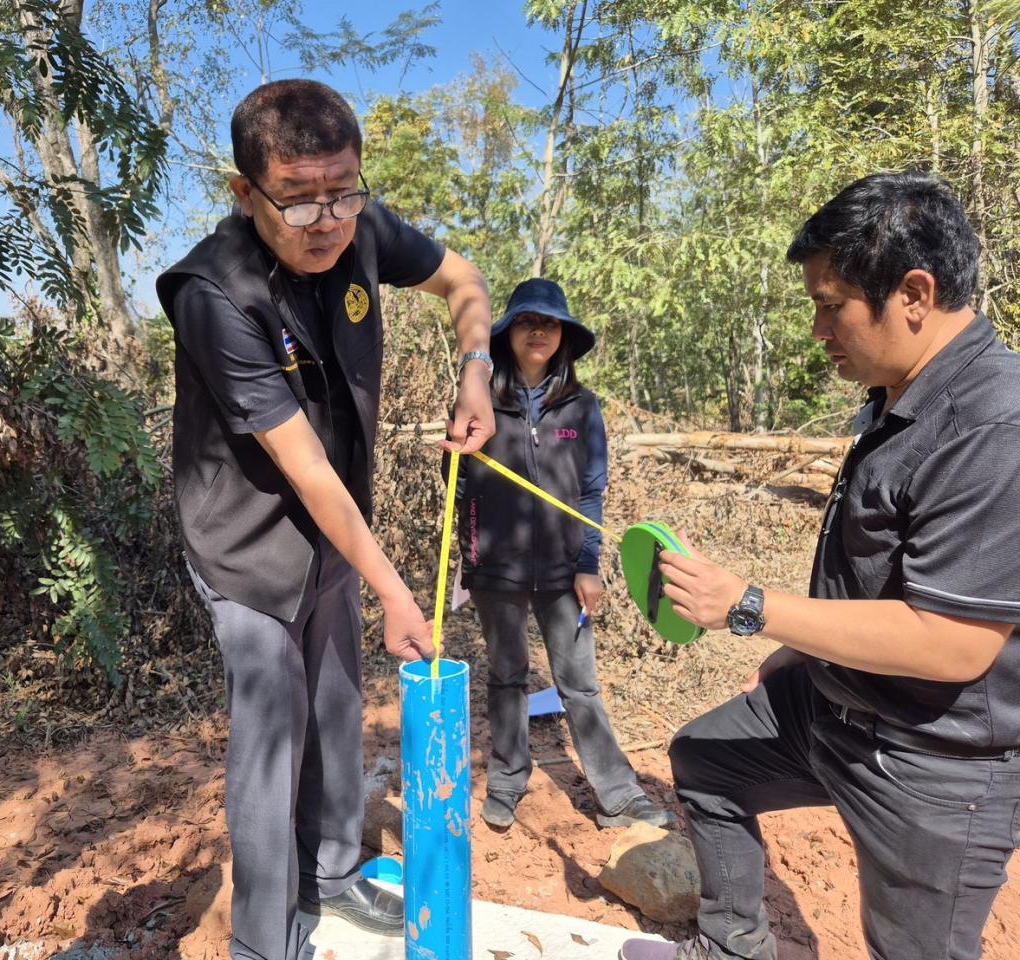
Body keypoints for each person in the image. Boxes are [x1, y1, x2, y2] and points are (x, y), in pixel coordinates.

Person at [618, 171, 1020, 960]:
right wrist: (803, 647)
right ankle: (734, 946)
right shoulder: (901, 389)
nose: (817, 329)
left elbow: (954, 641)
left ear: (913, 293)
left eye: (831, 304)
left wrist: (750, 606)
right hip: (832, 704)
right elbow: (884, 564)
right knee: (706, 762)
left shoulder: (992, 426)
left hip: (930, 761)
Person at [155, 79, 496, 960]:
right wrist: (396, 589)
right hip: (249, 548)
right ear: (245, 193)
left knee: (339, 705)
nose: (329, 221)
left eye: (344, 192)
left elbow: (463, 279)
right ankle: (265, 940)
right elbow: (302, 467)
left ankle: (337, 873)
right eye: (300, 201)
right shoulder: (214, 294)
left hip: (337, 535)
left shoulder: (363, 229)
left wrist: (476, 369)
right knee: (275, 727)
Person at [453, 278, 674, 832]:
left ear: (563, 337)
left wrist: (588, 564)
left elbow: (592, 491)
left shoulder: (583, 406)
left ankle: (619, 795)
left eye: (549, 324)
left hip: (561, 570)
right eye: (528, 322)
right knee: (506, 676)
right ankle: (507, 780)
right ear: (508, 332)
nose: (538, 332)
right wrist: (467, 555)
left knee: (579, 682)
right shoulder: (483, 404)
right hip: (494, 568)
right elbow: (459, 486)